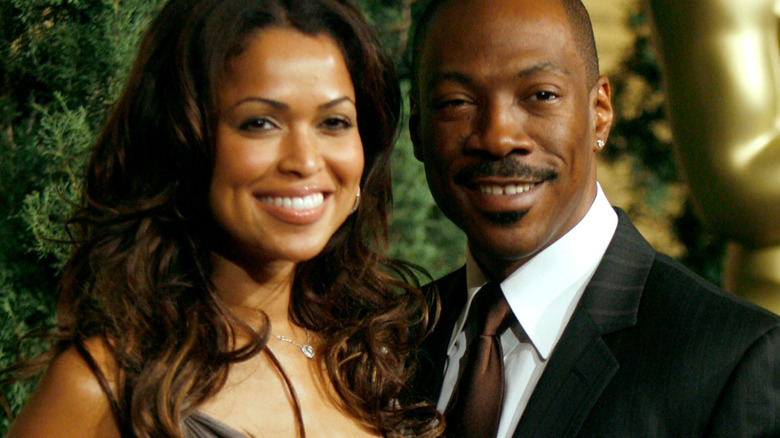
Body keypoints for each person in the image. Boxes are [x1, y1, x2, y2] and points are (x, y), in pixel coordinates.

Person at [2, 0, 442, 437]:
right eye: (260, 123)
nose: (306, 161)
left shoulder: (377, 366)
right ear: (182, 141)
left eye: (333, 122)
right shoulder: (104, 385)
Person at [408, 0, 780, 436]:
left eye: (541, 96)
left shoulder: (731, 361)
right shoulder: (383, 343)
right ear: (417, 130)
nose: (498, 137)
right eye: (456, 102)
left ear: (600, 113)